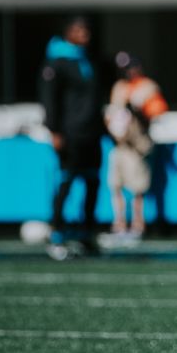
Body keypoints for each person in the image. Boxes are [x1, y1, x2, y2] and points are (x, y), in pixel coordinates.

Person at [39, 15, 105, 258]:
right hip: (70, 133)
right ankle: (57, 232)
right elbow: (50, 99)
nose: (85, 34)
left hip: (91, 133)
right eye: (80, 30)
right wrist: (54, 130)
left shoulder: (89, 61)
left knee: (93, 183)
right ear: (68, 32)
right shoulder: (56, 63)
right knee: (66, 182)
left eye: (87, 30)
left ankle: (86, 234)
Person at [104, 54, 168, 244]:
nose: (129, 72)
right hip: (120, 145)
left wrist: (138, 111)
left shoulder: (148, 87)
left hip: (137, 146)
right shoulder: (119, 88)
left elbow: (157, 112)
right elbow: (112, 113)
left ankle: (138, 225)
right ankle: (119, 224)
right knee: (116, 186)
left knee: (137, 188)